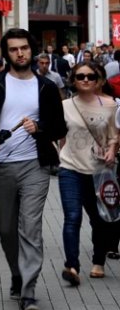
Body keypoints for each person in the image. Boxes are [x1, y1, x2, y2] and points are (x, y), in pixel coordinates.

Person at [0, 28, 66, 310]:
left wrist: (40, 129)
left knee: (31, 229)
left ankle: (28, 292)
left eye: (24, 48)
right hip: (1, 167)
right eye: (13, 49)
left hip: (35, 166)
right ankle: (16, 273)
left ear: (32, 50)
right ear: (6, 53)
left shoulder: (46, 87)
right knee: (8, 230)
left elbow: (60, 128)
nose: (20, 53)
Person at [56, 61, 118, 285]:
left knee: (99, 220)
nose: (85, 80)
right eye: (80, 76)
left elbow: (113, 135)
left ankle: (98, 261)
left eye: (90, 76)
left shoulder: (109, 105)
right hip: (70, 169)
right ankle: (71, 266)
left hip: (99, 172)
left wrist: (112, 150)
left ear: (98, 80)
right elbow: (59, 133)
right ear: (73, 80)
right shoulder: (65, 105)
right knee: (72, 218)